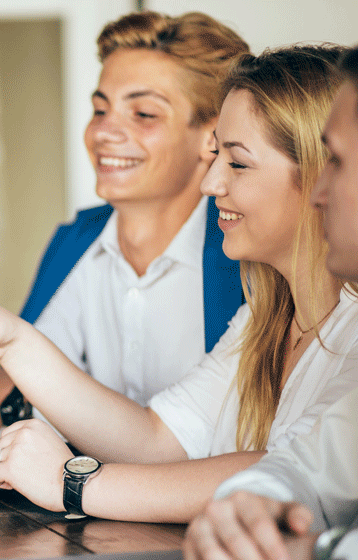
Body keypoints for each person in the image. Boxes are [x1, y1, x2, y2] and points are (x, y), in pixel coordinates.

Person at [0, 45, 358, 523]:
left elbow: (287, 474)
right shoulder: (263, 318)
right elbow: (157, 440)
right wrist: (9, 339)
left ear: (322, 175)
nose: (210, 183)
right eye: (217, 156)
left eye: (237, 163)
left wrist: (71, 482)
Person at [0, 11, 249, 446]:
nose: (103, 132)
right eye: (99, 108)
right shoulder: (77, 241)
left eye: (144, 113)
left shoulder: (245, 255)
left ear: (212, 136)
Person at [183, 45, 358, 560]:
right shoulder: (264, 311)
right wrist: (255, 502)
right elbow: (310, 463)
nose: (319, 192)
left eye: (339, 164)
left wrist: (72, 481)